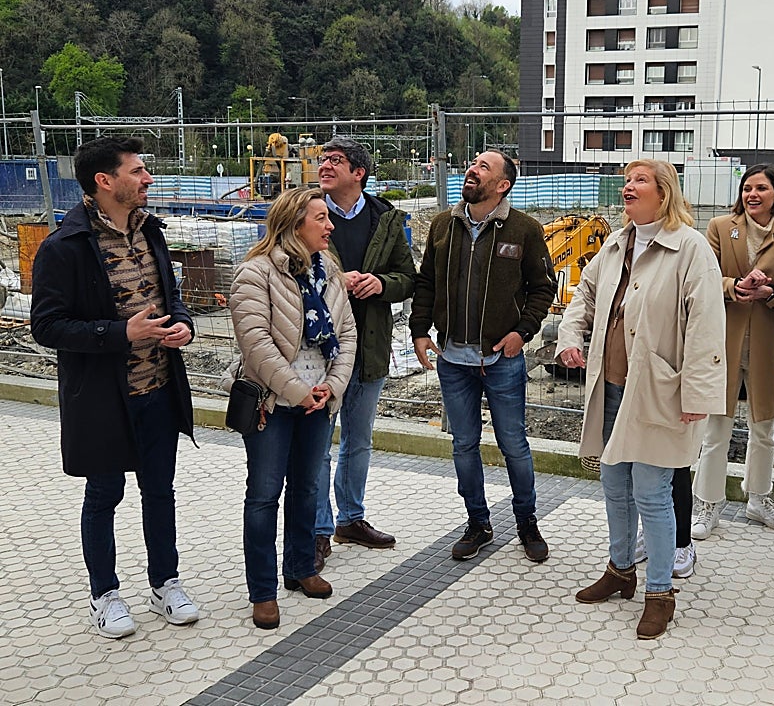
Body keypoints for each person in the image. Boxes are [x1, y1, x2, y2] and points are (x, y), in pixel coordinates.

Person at [31, 136, 201, 639]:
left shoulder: (153, 233)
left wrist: (183, 324)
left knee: (160, 492)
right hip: (105, 398)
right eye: (138, 170)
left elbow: (174, 296)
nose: (147, 178)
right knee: (103, 493)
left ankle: (165, 583)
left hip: (159, 389)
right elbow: (48, 326)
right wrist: (121, 332)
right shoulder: (64, 247)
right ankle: (104, 594)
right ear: (104, 182)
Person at [558, 159, 725, 640]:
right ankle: (619, 570)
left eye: (640, 181)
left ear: (664, 192)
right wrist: (570, 334)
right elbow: (583, 297)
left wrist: (696, 392)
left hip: (659, 391)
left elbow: (707, 325)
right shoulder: (616, 242)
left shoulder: (690, 248)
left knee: (652, 492)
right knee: (613, 483)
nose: (628, 187)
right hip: (611, 387)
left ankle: (659, 593)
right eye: (627, 181)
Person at [410, 151, 556, 563]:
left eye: (484, 167)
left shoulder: (524, 229)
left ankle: (527, 521)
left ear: (502, 185)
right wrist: (420, 331)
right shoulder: (443, 225)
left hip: (502, 361)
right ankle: (478, 524)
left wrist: (521, 333)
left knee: (514, 445)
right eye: (473, 163)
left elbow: (543, 289)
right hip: (453, 360)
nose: (472, 169)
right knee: (463, 445)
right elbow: (426, 283)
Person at [229, 187, 357, 630]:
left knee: (306, 488)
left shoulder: (330, 272)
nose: (330, 226)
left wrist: (330, 388)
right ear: (293, 223)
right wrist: (298, 390)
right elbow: (256, 346)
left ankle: (302, 568)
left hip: (317, 403)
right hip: (272, 403)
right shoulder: (254, 274)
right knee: (264, 496)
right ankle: (262, 591)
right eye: (321, 218)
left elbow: (347, 336)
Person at [314, 137, 416, 570]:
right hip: (320, 350)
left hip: (370, 345)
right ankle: (317, 530)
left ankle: (350, 519)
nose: (324, 165)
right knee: (318, 444)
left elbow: (407, 278)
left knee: (359, 441)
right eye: (322, 159)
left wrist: (381, 284)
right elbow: (283, 267)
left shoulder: (386, 218)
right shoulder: (305, 213)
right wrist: (337, 279)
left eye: (335, 160)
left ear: (359, 172)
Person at [692, 164, 774, 542]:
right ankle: (708, 504)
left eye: (761, 188)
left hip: (767, 342)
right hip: (723, 340)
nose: (752, 194)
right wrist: (735, 287)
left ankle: (758, 498)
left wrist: (771, 293)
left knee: (764, 428)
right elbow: (705, 275)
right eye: (747, 188)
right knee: (715, 428)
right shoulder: (720, 227)